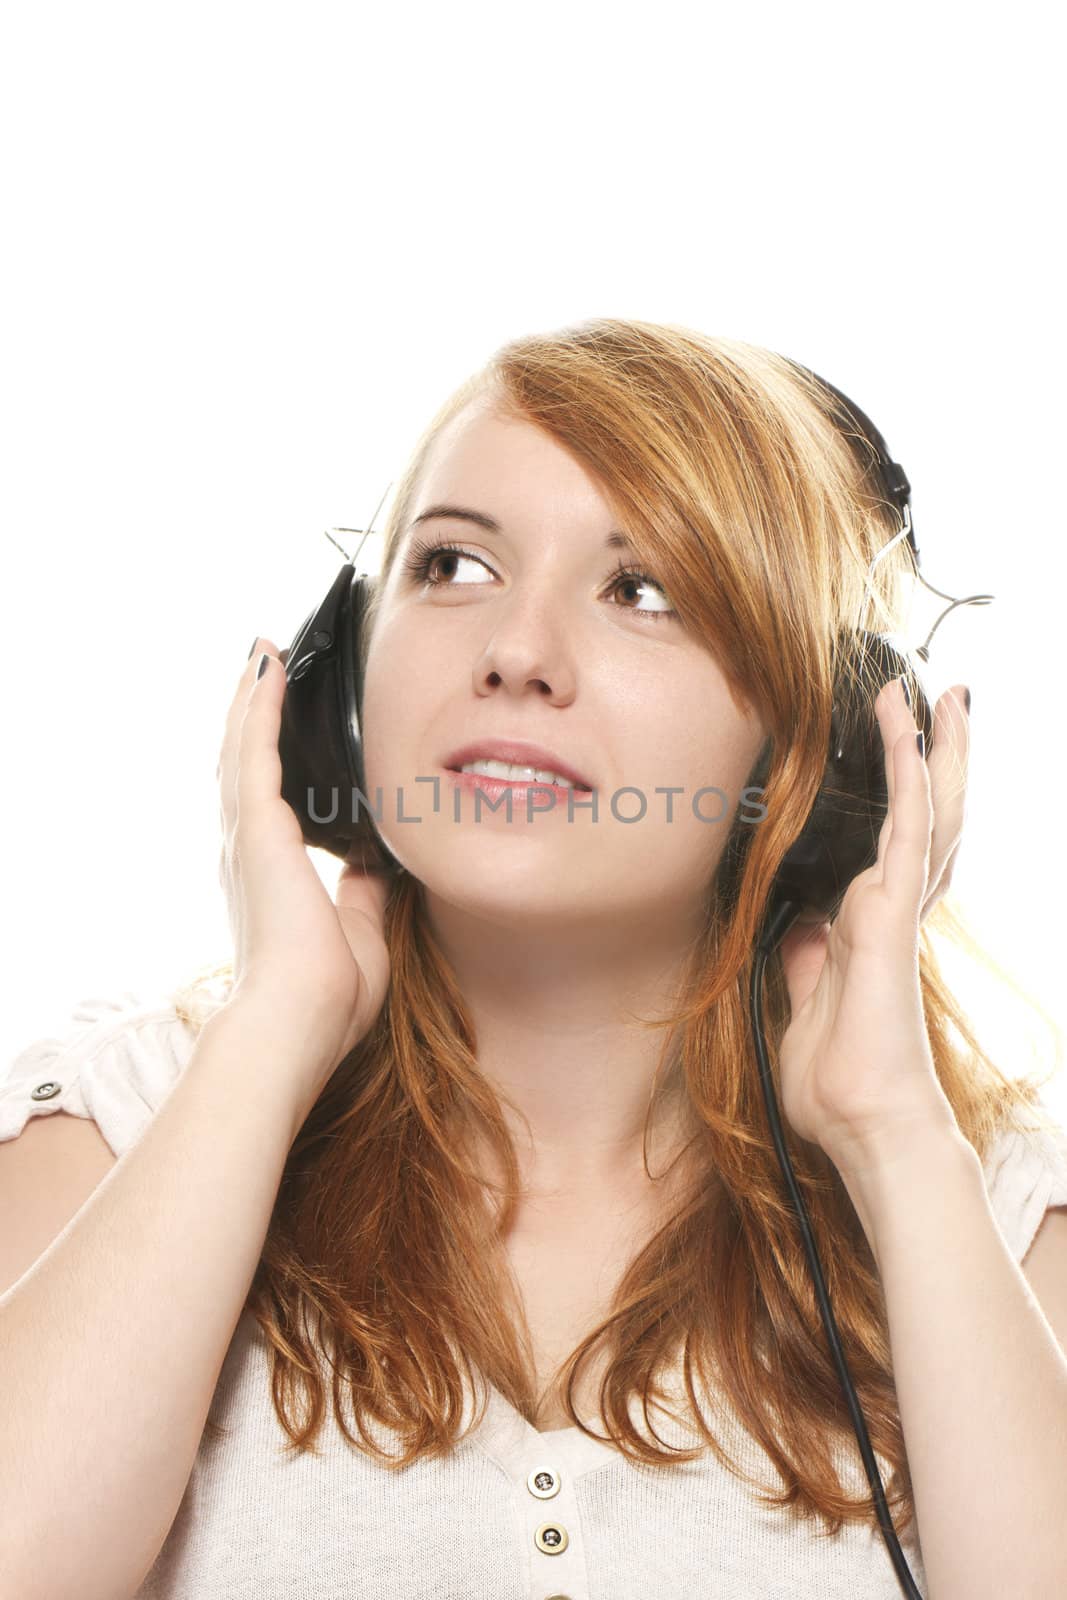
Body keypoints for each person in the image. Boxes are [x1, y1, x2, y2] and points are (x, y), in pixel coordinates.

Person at [2, 318, 1066, 1600]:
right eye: (451, 564)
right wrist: (275, 1029)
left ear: (818, 754)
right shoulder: (119, 1130)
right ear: (339, 688)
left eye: (643, 591)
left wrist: (890, 1129)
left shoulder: (995, 1225)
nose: (513, 651)